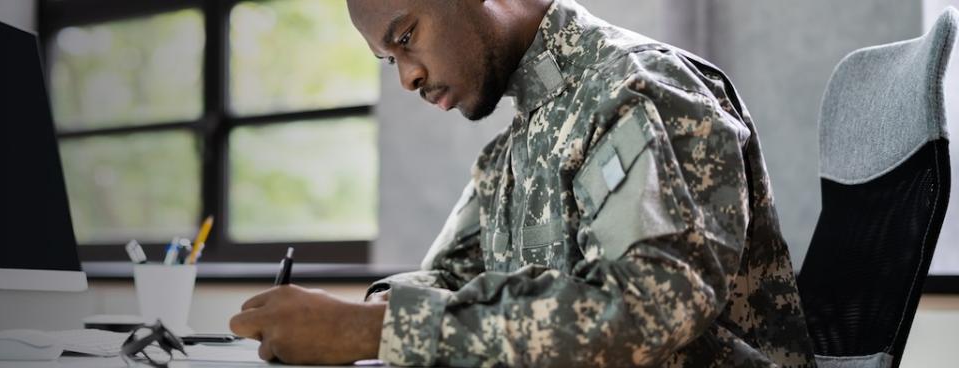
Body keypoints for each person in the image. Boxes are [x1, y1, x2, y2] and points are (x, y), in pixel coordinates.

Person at [229, 0, 817, 366]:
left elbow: (647, 309)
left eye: (405, 37)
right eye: (389, 60)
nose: (407, 77)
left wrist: (373, 331)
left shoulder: (637, 90)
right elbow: (451, 276)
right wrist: (357, 314)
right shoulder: (514, 147)